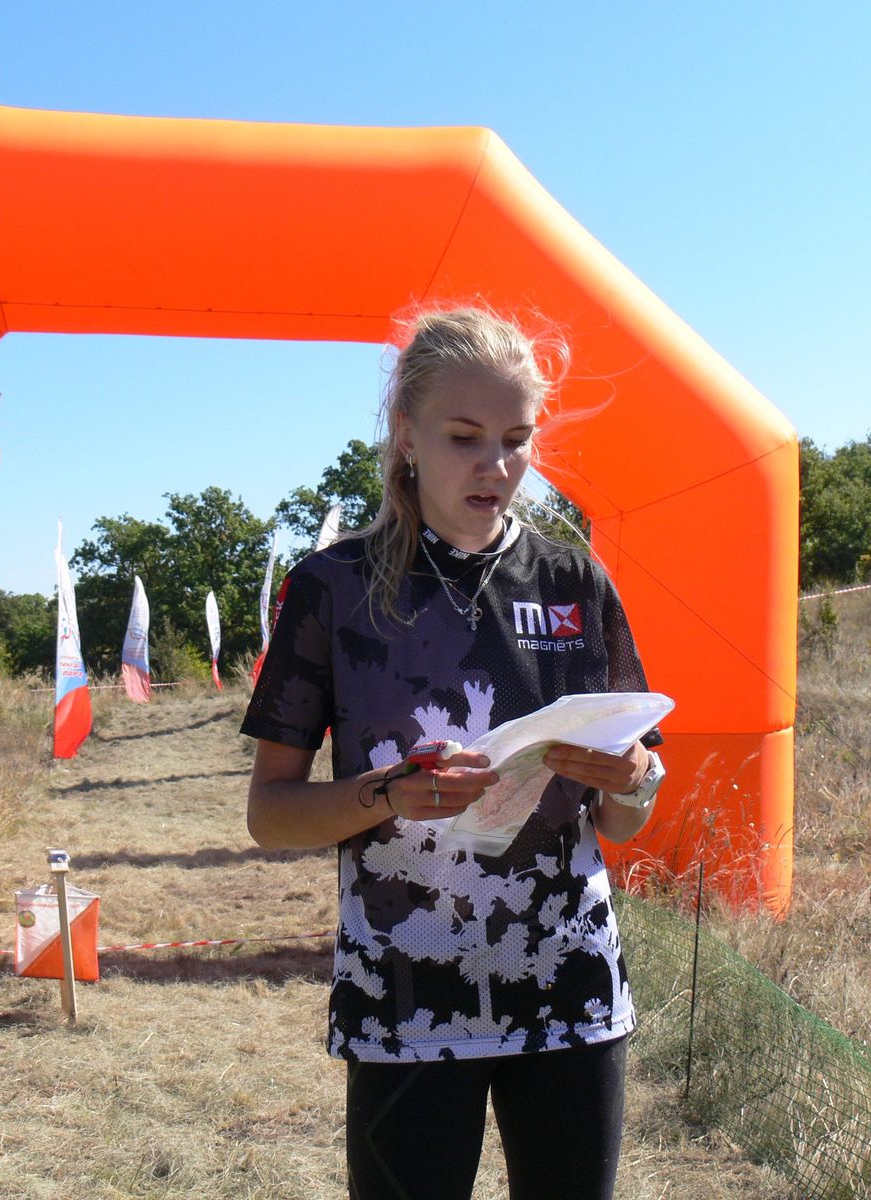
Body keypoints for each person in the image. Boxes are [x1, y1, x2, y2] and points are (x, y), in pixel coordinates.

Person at [242, 306, 667, 1200]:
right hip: (406, 997)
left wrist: (633, 779)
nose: (496, 466)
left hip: (570, 989)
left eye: (517, 440)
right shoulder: (333, 588)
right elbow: (270, 815)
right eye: (465, 437)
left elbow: (625, 821)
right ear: (406, 433)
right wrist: (386, 794)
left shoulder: (574, 580)